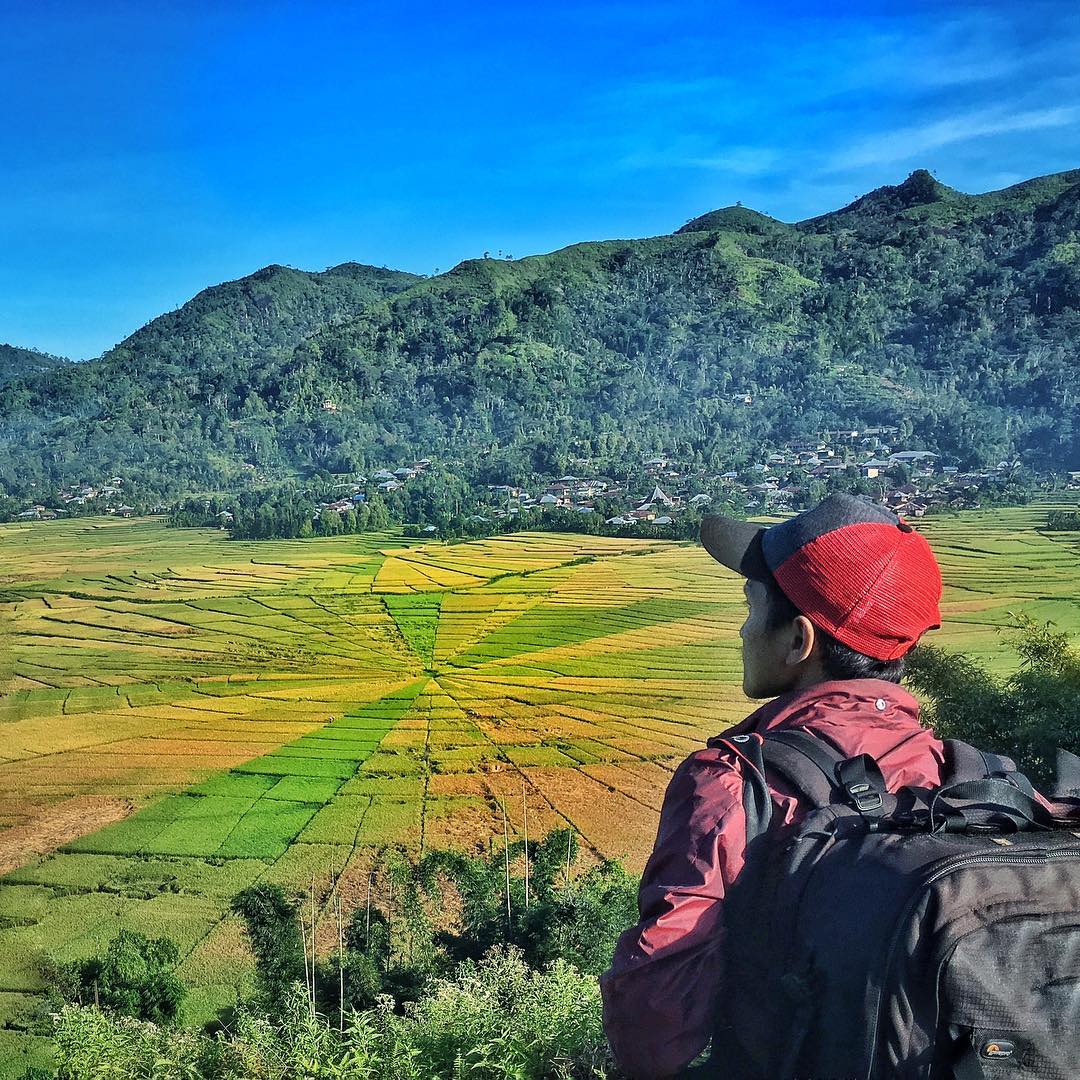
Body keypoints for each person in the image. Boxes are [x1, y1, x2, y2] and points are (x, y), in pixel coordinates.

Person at [599, 493, 950, 1078]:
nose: (742, 629)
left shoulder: (735, 784)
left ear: (798, 642)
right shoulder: (968, 777)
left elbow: (653, 1026)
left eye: (751, 605)